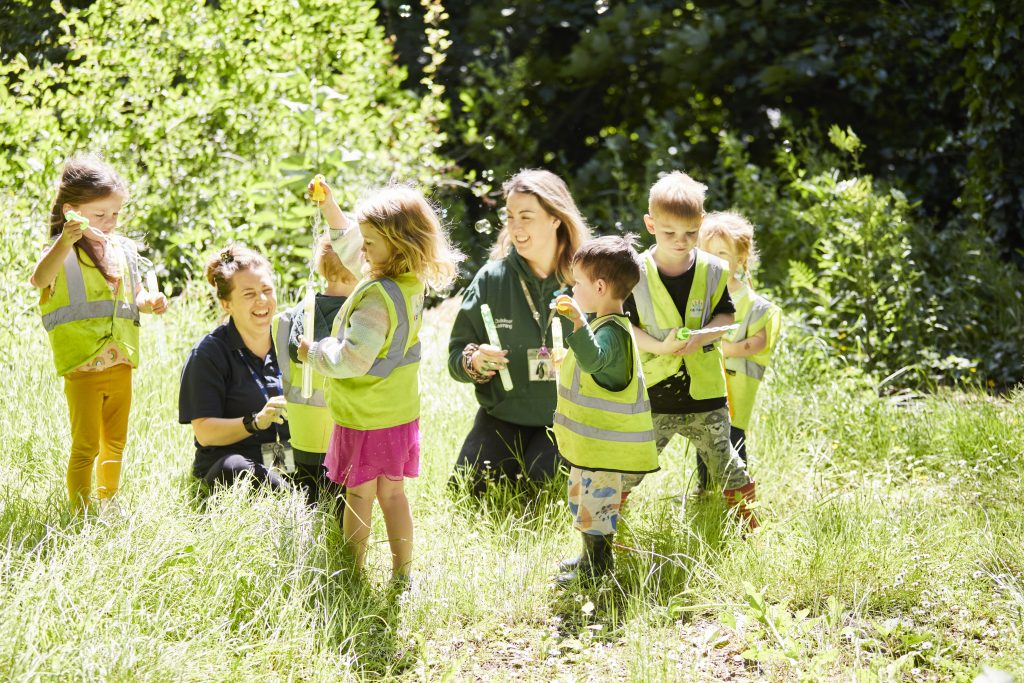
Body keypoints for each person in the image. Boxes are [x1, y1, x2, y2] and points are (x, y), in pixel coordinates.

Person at [299, 181, 462, 586]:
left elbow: (353, 359)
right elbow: (349, 242)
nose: (362, 249)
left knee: (358, 497)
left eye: (370, 242)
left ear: (397, 244)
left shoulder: (375, 299)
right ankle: (402, 574)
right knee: (394, 494)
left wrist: (314, 352)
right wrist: (330, 205)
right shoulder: (408, 284)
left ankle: (352, 575)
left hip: (365, 416)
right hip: (398, 412)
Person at [30, 154, 168, 512]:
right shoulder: (63, 252)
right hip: (82, 364)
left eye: (115, 214)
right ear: (72, 211)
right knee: (86, 445)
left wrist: (149, 301)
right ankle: (80, 511)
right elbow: (39, 280)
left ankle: (108, 504)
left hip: (120, 361)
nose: (110, 222)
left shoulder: (121, 250)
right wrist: (64, 240)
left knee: (116, 442)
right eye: (100, 214)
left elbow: (134, 296)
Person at [623, 171, 758, 528]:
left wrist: (702, 337)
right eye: (669, 233)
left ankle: (747, 525)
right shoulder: (634, 271)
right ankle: (607, 524)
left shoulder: (714, 269)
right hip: (654, 392)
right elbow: (625, 327)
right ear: (650, 224)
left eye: (690, 233)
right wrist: (661, 346)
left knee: (726, 462)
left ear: (701, 223)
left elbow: (725, 314)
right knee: (630, 463)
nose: (680, 242)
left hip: (705, 393)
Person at [447, 169, 590, 494]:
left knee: (542, 485)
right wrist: (474, 361)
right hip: (503, 415)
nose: (516, 227)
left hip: (567, 418)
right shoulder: (491, 279)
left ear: (556, 218)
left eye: (527, 216)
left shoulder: (587, 276)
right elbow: (456, 354)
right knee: (469, 489)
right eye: (510, 216)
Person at [550, 235, 659, 584]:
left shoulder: (610, 333)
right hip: (592, 449)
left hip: (605, 450)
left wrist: (578, 323)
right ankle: (588, 559)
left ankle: (598, 569)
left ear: (599, 286)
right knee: (585, 505)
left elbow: (596, 360)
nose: (573, 288)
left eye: (577, 282)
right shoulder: (606, 328)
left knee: (596, 509)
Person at [178, 244, 292, 491]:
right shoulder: (208, 354)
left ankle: (304, 506)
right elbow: (205, 433)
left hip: (283, 462)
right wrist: (256, 422)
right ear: (226, 304)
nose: (262, 300)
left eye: (267, 290)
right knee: (236, 467)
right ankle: (299, 505)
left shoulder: (289, 343)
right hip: (230, 469)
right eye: (249, 294)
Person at [696, 211, 781, 490]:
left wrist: (728, 349)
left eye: (722, 253)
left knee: (731, 437)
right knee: (704, 433)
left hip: (735, 385)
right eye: (708, 253)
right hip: (707, 383)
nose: (715, 261)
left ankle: (736, 491)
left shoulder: (750, 302)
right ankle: (706, 488)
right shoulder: (701, 296)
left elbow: (759, 341)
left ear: (740, 259)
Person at [273, 233, 357, 506]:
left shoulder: (293, 315)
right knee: (338, 513)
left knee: (299, 508)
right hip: (340, 437)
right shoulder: (356, 319)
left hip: (296, 436)